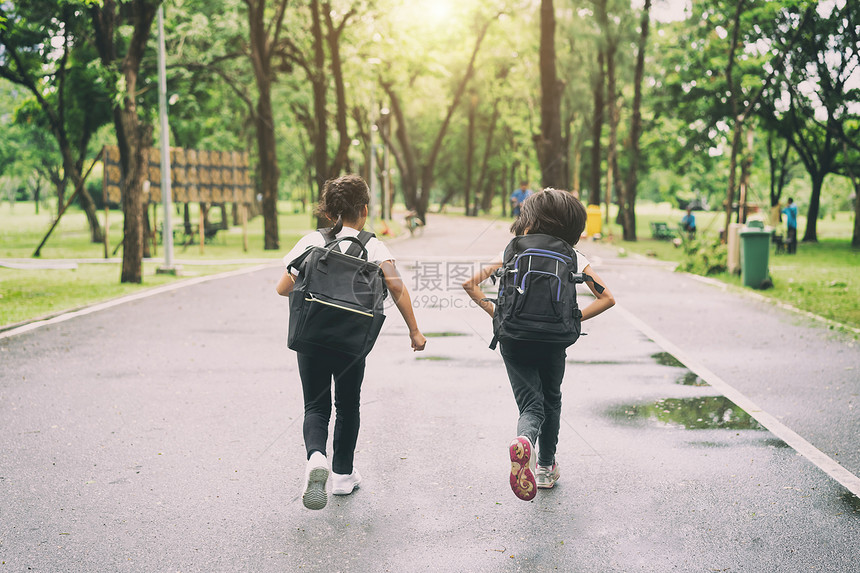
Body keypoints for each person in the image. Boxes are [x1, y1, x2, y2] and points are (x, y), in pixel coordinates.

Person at [276, 174, 427, 510]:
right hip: (351, 341)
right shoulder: (374, 246)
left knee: (316, 406)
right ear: (364, 209)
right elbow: (398, 289)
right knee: (347, 405)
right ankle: (343, 476)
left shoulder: (312, 241)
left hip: (312, 337)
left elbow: (282, 288)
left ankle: (317, 458)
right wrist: (414, 331)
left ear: (330, 212)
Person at [462, 189, 615, 500]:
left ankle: (525, 440)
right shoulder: (573, 256)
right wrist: (572, 320)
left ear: (529, 221)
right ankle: (545, 468)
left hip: (514, 338)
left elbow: (470, 283)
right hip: (554, 340)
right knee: (552, 399)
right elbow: (607, 298)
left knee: (531, 404)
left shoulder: (513, 251)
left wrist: (498, 314)